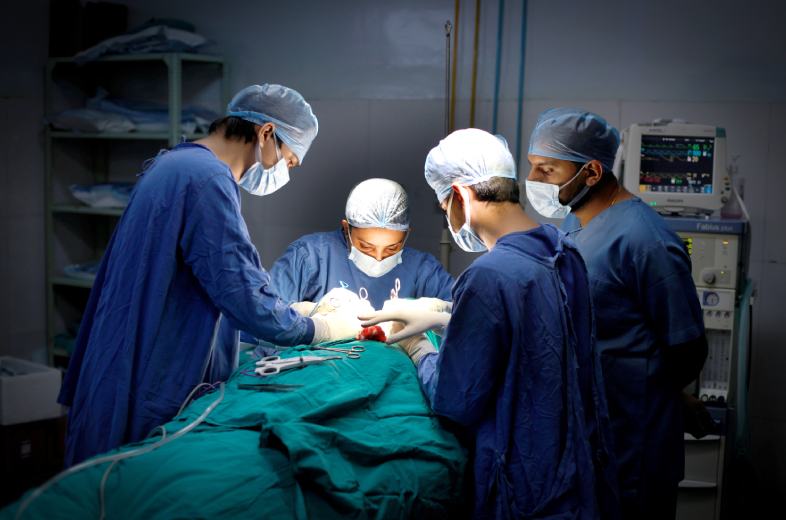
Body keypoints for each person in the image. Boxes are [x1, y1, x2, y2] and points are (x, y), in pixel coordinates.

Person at [57, 85, 360, 468]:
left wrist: (286, 309)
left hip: (118, 369)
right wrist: (320, 329)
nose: (285, 171)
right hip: (148, 384)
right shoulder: (207, 180)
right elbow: (241, 294)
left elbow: (201, 281)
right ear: (266, 133)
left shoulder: (174, 164)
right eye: (289, 160)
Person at [361, 129, 619, 520]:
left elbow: (456, 401)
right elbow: (534, 334)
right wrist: (450, 318)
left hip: (525, 490)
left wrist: (420, 350)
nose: (447, 215)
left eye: (444, 203)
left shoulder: (488, 276)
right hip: (575, 480)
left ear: (461, 197)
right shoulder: (563, 251)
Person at [525, 108, 713, 520]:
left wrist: (655, 393)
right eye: (532, 167)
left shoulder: (645, 240)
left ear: (591, 172)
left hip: (632, 442)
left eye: (547, 169)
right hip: (590, 429)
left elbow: (687, 347)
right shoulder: (574, 222)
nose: (534, 181)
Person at [266, 178, 454, 312]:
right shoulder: (309, 257)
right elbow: (266, 315)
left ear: (406, 235)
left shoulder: (423, 270)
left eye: (392, 248)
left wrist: (433, 314)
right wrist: (314, 320)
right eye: (366, 247)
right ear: (347, 229)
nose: (379, 258)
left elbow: (463, 314)